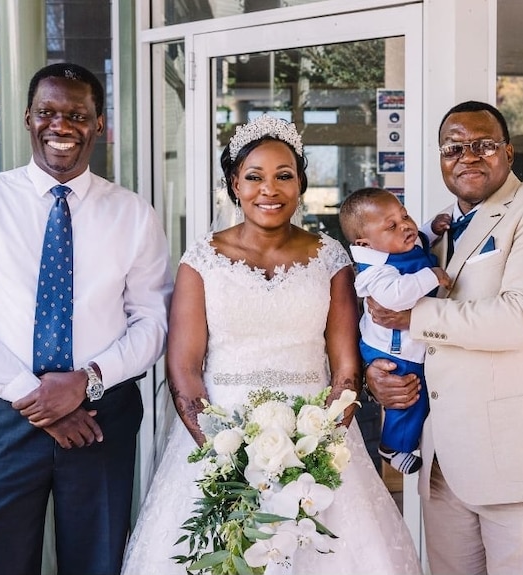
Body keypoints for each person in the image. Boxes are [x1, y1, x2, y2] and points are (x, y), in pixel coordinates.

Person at [121, 115, 423, 575]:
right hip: (220, 437)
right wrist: (223, 456)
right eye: (254, 177)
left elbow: (344, 367)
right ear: (234, 185)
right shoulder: (201, 260)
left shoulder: (331, 258)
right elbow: (183, 367)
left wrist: (319, 450)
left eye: (284, 176)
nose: (270, 189)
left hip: (317, 437)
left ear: (300, 183)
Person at [0, 62, 173, 575]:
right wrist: (38, 397)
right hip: (4, 417)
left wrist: (86, 382)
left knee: (97, 563)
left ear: (98, 124)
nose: (61, 126)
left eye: (77, 115)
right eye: (48, 112)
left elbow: (153, 321)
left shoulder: (134, 215)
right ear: (28, 119)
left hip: (100, 419)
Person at [365, 100, 523, 575]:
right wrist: (378, 374)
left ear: (508, 153)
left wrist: (414, 318)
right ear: (441, 158)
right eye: (454, 147)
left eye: (483, 145)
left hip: (518, 457)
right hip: (442, 461)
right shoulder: (427, 232)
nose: (468, 156)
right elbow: (402, 331)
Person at [338, 187, 452, 474]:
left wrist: (432, 229)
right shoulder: (375, 269)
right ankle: (392, 446)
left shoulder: (397, 244)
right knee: (408, 398)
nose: (405, 226)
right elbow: (395, 297)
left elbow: (420, 241)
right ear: (366, 243)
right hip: (392, 349)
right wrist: (432, 276)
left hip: (407, 341)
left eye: (405, 216)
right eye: (391, 225)